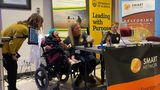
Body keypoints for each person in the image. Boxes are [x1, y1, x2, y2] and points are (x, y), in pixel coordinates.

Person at [1, 13, 43, 90]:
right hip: (3, 49)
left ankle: (11, 87)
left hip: (5, 48)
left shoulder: (23, 26)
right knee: (12, 68)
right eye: (41, 23)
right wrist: (13, 54)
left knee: (12, 68)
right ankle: (12, 88)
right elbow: (12, 43)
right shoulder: (24, 29)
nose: (41, 26)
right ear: (35, 21)